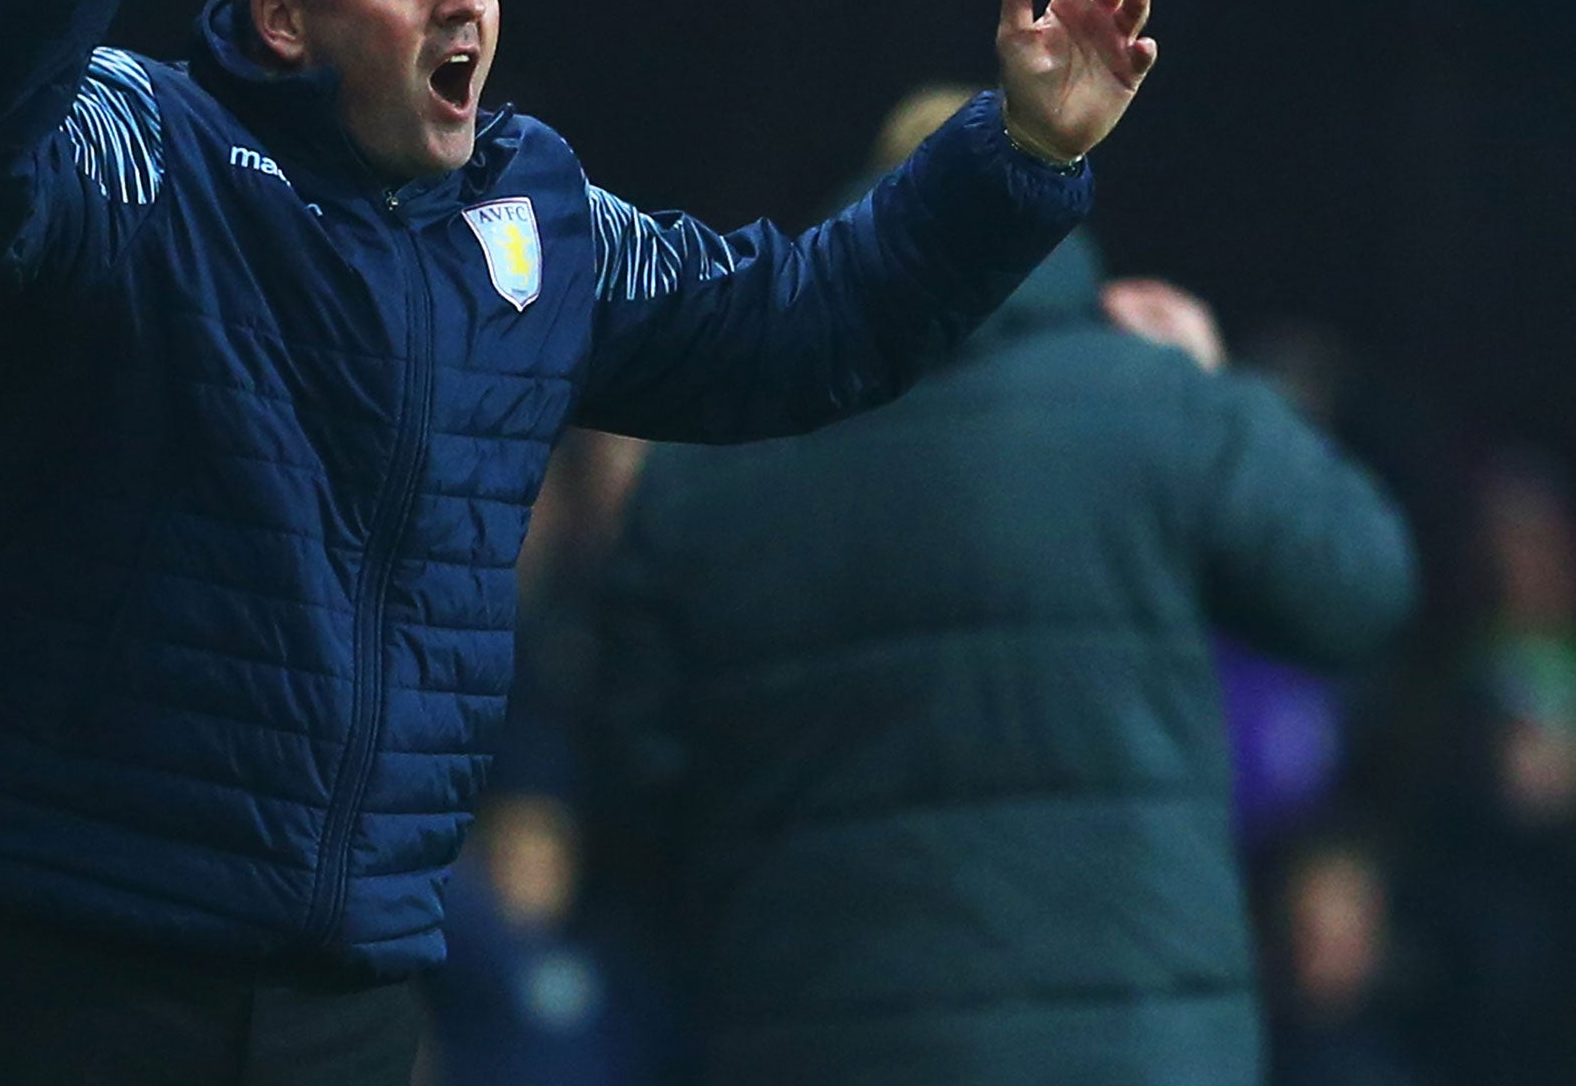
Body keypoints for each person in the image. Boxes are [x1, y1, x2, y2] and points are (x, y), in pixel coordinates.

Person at [0, 0, 1162, 1085]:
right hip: (63, 958)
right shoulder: (143, 145)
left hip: (342, 998)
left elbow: (798, 325)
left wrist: (1016, 156)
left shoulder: (531, 218)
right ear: (282, 17)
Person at [585, 95, 1417, 1086]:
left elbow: (634, 799)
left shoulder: (708, 461)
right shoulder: (1155, 405)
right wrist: (1213, 384)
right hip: (1123, 1050)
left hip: (810, 1041)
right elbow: (1362, 581)